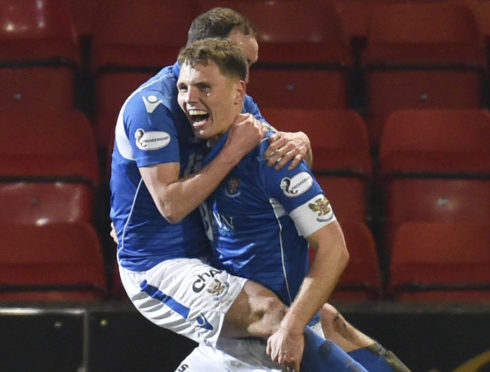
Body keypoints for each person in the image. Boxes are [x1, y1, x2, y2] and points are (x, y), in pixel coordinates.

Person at [110, 7, 409, 372]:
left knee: (321, 316)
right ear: (206, 54)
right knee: (276, 318)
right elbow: (170, 206)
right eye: (239, 61)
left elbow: (277, 163)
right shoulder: (151, 107)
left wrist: (301, 142)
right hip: (157, 265)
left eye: (248, 65)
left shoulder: (236, 101)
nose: (246, 74)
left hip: (211, 258)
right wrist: (234, 150)